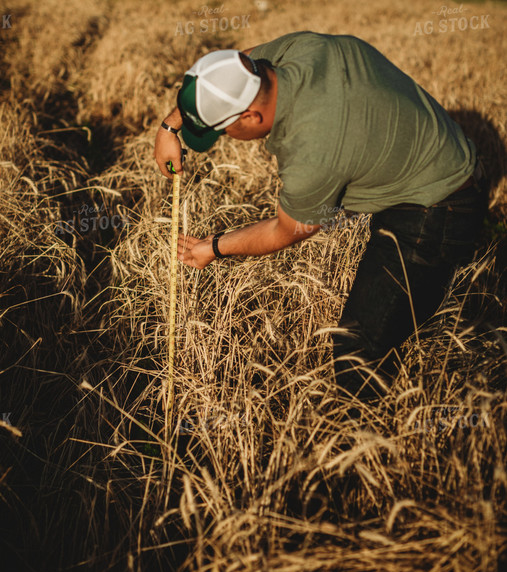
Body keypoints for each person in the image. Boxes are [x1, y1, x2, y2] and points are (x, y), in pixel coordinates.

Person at [154, 32, 488, 400]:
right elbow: (237, 61)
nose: (227, 137)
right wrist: (170, 127)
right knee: (402, 315)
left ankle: (360, 442)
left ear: (250, 115)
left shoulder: (314, 151)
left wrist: (212, 248)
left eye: (224, 130)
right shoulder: (304, 49)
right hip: (437, 154)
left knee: (358, 349)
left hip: (440, 205)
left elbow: (288, 230)